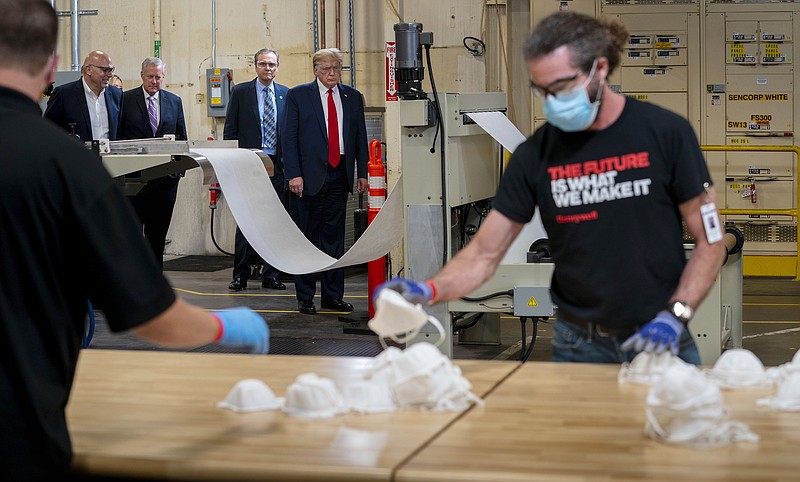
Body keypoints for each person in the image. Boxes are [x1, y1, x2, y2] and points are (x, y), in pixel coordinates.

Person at [0, 1, 269, 479]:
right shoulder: (68, 167)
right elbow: (154, 319)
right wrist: (229, 328)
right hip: (18, 434)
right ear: (49, 67)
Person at [377, 12, 726, 365]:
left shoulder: (666, 134)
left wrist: (675, 315)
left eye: (561, 86)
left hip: (662, 333)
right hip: (580, 344)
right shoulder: (536, 155)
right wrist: (428, 290)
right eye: (542, 90)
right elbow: (484, 254)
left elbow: (710, 240)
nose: (552, 100)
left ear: (599, 69)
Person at [283, 48, 369, 314]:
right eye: (326, 68)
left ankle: (332, 296)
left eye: (337, 68)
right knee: (307, 238)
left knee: (334, 239)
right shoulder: (298, 96)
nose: (332, 73)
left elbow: (360, 137)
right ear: (315, 70)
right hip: (307, 178)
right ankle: (305, 296)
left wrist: (362, 172)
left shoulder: (352, 97)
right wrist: (293, 174)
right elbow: (289, 138)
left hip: (340, 174)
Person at [224, 48, 290, 292]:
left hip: (278, 166)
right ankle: (240, 275)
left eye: (272, 64)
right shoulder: (241, 92)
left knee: (275, 221)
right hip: (250, 163)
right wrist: (233, 164)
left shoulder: (286, 94)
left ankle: (271, 275)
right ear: (255, 66)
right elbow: (230, 131)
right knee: (246, 222)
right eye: (263, 64)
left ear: (277, 67)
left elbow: (290, 135)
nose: (268, 69)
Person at [118, 57, 188, 269]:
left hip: (165, 181)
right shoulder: (125, 100)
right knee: (131, 236)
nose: (154, 81)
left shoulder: (174, 101)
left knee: (157, 236)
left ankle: (155, 284)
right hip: (134, 180)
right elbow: (118, 136)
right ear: (141, 76)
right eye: (150, 77)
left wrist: (178, 173)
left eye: (158, 77)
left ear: (163, 78)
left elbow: (181, 137)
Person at [44, 48, 122, 141]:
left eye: (111, 70)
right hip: (76, 154)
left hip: (111, 154)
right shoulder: (64, 95)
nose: (110, 75)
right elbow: (48, 130)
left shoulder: (116, 95)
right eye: (105, 70)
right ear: (88, 70)